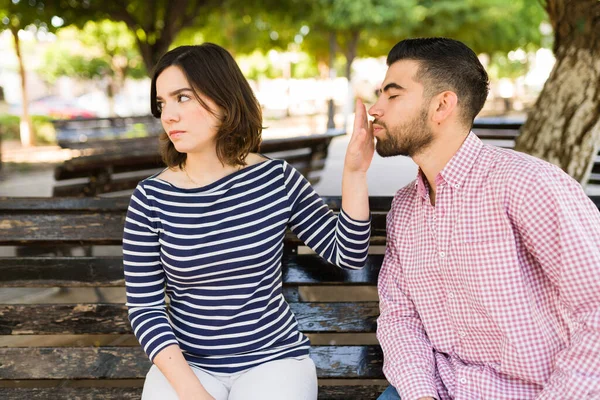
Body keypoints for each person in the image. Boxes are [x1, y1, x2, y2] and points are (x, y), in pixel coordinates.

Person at [122, 43, 374, 400]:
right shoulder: (151, 198)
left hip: (273, 361)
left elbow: (347, 253)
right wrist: (193, 393)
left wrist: (354, 174)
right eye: (162, 104)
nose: (169, 116)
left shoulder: (276, 179)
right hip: (188, 367)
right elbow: (145, 308)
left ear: (224, 98)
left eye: (183, 98)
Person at [370, 37, 600, 399]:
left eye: (392, 95)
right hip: (440, 389)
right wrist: (420, 394)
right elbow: (401, 319)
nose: (375, 108)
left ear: (442, 105)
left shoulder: (526, 184)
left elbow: (596, 307)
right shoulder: (406, 208)